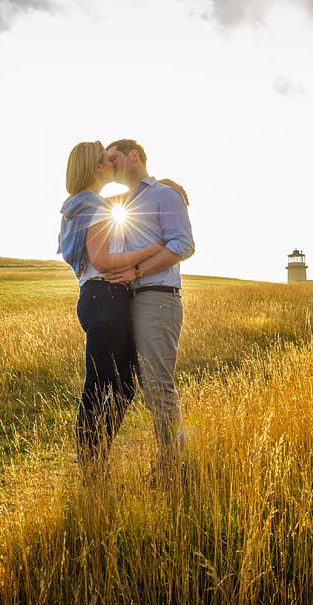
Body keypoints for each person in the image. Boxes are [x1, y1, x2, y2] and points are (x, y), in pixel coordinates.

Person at [57, 141, 164, 478]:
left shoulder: (76, 205)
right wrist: (149, 251)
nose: (110, 166)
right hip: (106, 298)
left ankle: (96, 459)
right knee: (102, 385)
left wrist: (164, 185)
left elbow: (123, 203)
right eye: (105, 161)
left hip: (95, 298)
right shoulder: (93, 206)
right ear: (94, 167)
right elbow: (102, 259)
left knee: (119, 385)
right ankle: (92, 467)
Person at [103, 139, 195, 487]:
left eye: (114, 158)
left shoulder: (164, 196)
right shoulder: (125, 202)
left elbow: (183, 245)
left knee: (158, 385)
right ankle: (169, 462)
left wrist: (138, 272)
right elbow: (86, 204)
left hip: (157, 297)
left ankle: (174, 469)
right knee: (139, 385)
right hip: (131, 301)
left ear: (135, 156)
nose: (109, 165)